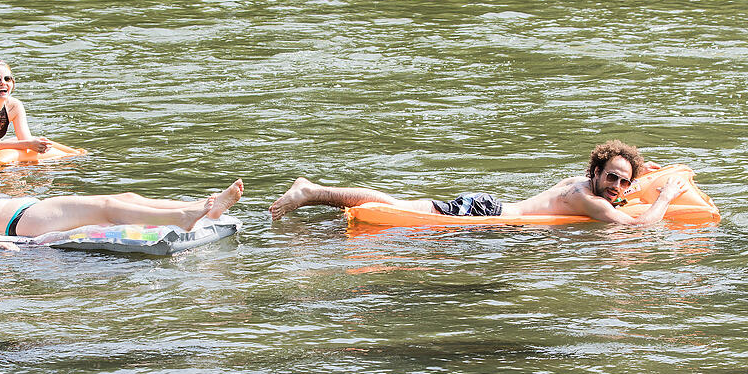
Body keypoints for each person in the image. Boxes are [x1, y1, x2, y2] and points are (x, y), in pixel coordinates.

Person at [269, 140, 687, 226]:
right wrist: (667, 194)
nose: (617, 186)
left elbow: (626, 178)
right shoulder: (588, 199)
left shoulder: (584, 183)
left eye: (623, 181)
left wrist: (642, 173)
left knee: (402, 208)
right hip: (484, 214)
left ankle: (314, 197)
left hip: (488, 206)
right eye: (611, 177)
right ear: (595, 172)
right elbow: (642, 228)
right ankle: (312, 191)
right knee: (396, 207)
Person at [0, 163, 244, 251]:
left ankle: (203, 207)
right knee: (106, 207)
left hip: (34, 212)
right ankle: (184, 217)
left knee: (127, 198)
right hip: (23, 223)